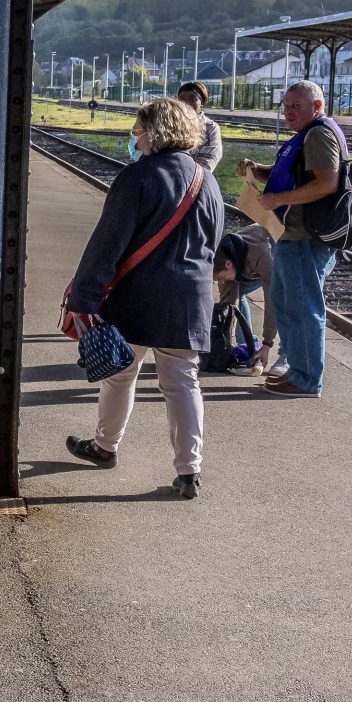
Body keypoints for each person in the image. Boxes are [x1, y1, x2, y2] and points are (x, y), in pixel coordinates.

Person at [62, 98, 224, 500]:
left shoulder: (137, 177)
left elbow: (107, 243)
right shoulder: (208, 180)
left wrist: (83, 297)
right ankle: (189, 472)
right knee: (183, 383)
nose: (133, 138)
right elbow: (213, 242)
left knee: (121, 374)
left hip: (137, 295)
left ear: (153, 132)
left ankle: (105, 447)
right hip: (190, 298)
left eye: (137, 131)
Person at [242, 80, 349, 397]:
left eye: (296, 106)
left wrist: (278, 199)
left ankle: (306, 379)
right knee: (286, 303)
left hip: (306, 237)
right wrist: (257, 171)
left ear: (317, 106)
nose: (289, 112)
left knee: (303, 307)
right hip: (291, 234)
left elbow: (327, 183)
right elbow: (291, 173)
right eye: (286, 106)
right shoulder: (306, 135)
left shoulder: (318, 134)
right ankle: (297, 371)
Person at [214, 225, 278, 375]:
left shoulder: (261, 255)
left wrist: (267, 343)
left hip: (291, 258)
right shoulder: (223, 257)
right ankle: (249, 348)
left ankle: (288, 357)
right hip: (248, 267)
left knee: (290, 300)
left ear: (228, 264)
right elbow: (228, 306)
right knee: (233, 294)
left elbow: (273, 301)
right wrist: (225, 345)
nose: (221, 282)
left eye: (221, 277)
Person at [176, 81, 224, 171]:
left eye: (192, 99)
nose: (186, 103)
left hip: (195, 182)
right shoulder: (168, 125)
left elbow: (206, 165)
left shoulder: (210, 128)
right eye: (181, 99)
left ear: (201, 103)